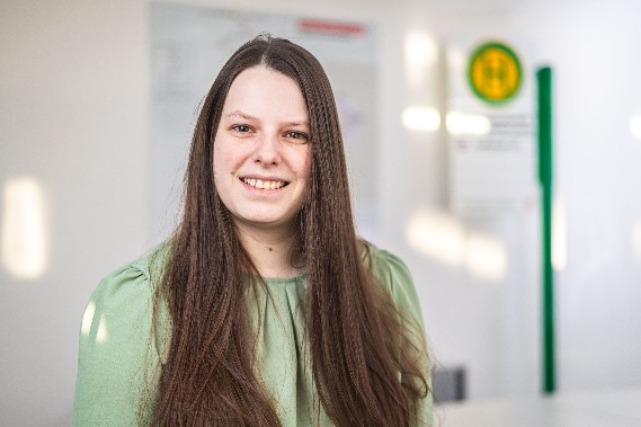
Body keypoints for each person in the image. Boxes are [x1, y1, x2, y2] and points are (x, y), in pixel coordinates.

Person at [72, 34, 432, 426]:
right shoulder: (135, 303)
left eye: (295, 134)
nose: (267, 154)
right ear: (210, 142)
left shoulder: (385, 281)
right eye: (243, 128)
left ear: (323, 155)